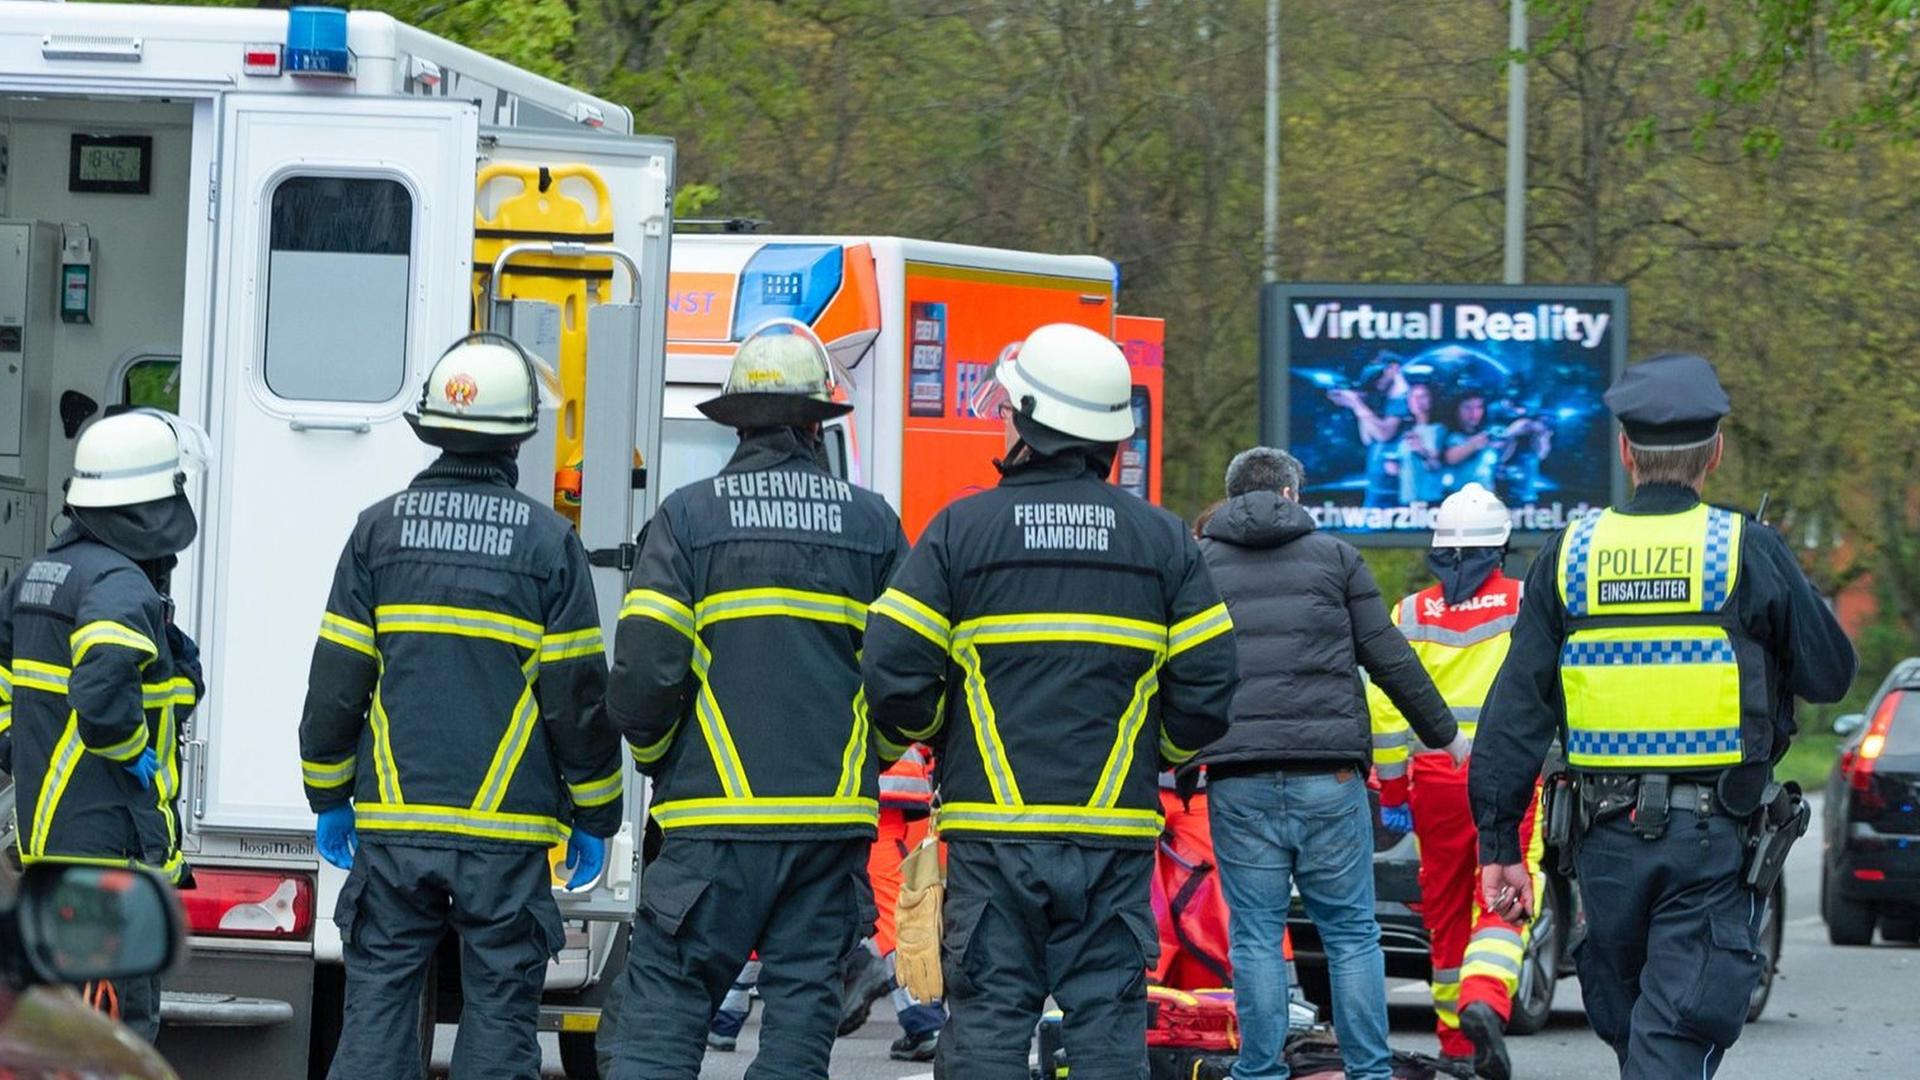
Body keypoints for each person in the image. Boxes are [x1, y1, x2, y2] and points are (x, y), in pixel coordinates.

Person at [863, 322, 1238, 1080]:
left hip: (993, 836)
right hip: (1113, 839)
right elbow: (1210, 690)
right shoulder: (1163, 542)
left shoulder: (960, 532)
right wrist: (1150, 754)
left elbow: (893, 672)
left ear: (1028, 419)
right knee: (1106, 1028)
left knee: (992, 1021)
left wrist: (946, 734)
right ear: (1108, 438)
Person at [1470, 353, 1858, 1079]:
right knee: (1670, 1035)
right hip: (1712, 838)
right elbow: (1830, 673)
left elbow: (1515, 711)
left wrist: (1498, 842)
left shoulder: (1569, 554)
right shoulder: (1746, 548)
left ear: (1626, 452)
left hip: (1601, 844)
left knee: (1643, 1035)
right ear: (1715, 452)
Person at [298, 333, 625, 1080]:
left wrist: (328, 794)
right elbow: (576, 698)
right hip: (506, 836)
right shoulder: (550, 542)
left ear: (430, 428)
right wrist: (596, 814)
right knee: (501, 1018)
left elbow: (337, 681)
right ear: (520, 435)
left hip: (394, 825)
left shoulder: (377, 531)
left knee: (377, 1008)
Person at [597, 318, 909, 1078]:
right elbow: (907, 676)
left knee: (662, 1025)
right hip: (826, 833)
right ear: (815, 422)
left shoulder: (687, 519)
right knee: (801, 1024)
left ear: (735, 420)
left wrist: (660, 757)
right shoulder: (871, 527)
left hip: (708, 827)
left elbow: (642, 676)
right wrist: (870, 757)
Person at [1193, 446, 1463, 1080]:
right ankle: (1368, 1072)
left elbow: (1179, 667)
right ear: (1292, 494)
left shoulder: (1199, 565)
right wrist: (1443, 734)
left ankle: (1259, 1071)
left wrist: (1175, 761)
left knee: (1256, 936)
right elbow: (1388, 656)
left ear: (1233, 498)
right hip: (1330, 777)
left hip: (1239, 777)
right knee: (1350, 934)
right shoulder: (1336, 558)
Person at [0, 409, 208, 1040]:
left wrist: (18, 743)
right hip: (105, 848)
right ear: (148, 502)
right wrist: (132, 749)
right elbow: (98, 689)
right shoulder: (119, 585)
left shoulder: (41, 573)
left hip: (51, 840)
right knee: (117, 1029)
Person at [1368, 483, 1527, 1080]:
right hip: (1507, 778)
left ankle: (1456, 1046)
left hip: (1434, 780)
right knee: (1508, 890)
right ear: (1501, 549)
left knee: (1443, 908)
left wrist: (1392, 791)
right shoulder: (1526, 602)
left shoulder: (1407, 613)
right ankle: (1483, 999)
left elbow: (1384, 706)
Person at [1326, 353, 1409, 508]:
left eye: (1379, 371)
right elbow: (1368, 438)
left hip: (1397, 490)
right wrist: (1360, 403)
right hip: (1377, 486)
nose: (1376, 377)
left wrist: (1357, 403)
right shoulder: (1385, 400)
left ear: (1394, 368)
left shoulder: (1405, 398)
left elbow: (1383, 434)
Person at [1398, 381, 1447, 505]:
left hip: (1429, 499)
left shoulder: (1438, 429)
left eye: (1423, 396)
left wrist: (1421, 451)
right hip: (1407, 498)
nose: (1417, 401)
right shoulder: (1405, 431)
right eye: (1413, 397)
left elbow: (1436, 465)